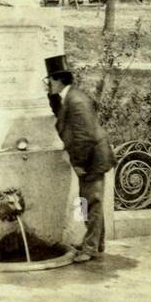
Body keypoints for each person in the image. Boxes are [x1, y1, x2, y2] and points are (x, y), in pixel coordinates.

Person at [45, 55, 116, 263]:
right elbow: (62, 117)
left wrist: (79, 164)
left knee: (90, 203)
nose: (48, 83)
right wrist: (51, 97)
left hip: (92, 159)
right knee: (88, 202)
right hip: (91, 157)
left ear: (58, 80)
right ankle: (95, 243)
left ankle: (90, 248)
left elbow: (85, 137)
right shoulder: (70, 97)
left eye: (49, 80)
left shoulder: (76, 101)